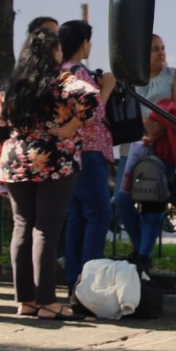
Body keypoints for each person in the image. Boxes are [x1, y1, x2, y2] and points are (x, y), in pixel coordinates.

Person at [0, 27, 99, 319]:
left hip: (15, 160)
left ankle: (25, 300)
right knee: (46, 229)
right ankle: (47, 301)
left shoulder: (12, 86)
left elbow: (0, 127)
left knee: (22, 226)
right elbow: (91, 96)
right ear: (54, 53)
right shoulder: (61, 81)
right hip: (55, 158)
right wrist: (73, 126)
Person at [57, 20, 116, 293]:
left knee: (77, 215)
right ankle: (89, 280)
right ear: (84, 43)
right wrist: (107, 87)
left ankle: (73, 278)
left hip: (69, 150)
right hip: (89, 150)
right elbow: (94, 113)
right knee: (99, 214)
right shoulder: (79, 73)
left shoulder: (59, 71)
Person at [113, 34, 176, 257]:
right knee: (122, 200)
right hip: (131, 148)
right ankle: (140, 247)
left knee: (153, 202)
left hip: (161, 151)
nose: (161, 52)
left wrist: (156, 128)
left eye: (162, 48)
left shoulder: (174, 75)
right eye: (154, 49)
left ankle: (143, 256)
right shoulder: (128, 78)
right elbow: (123, 113)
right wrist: (146, 124)